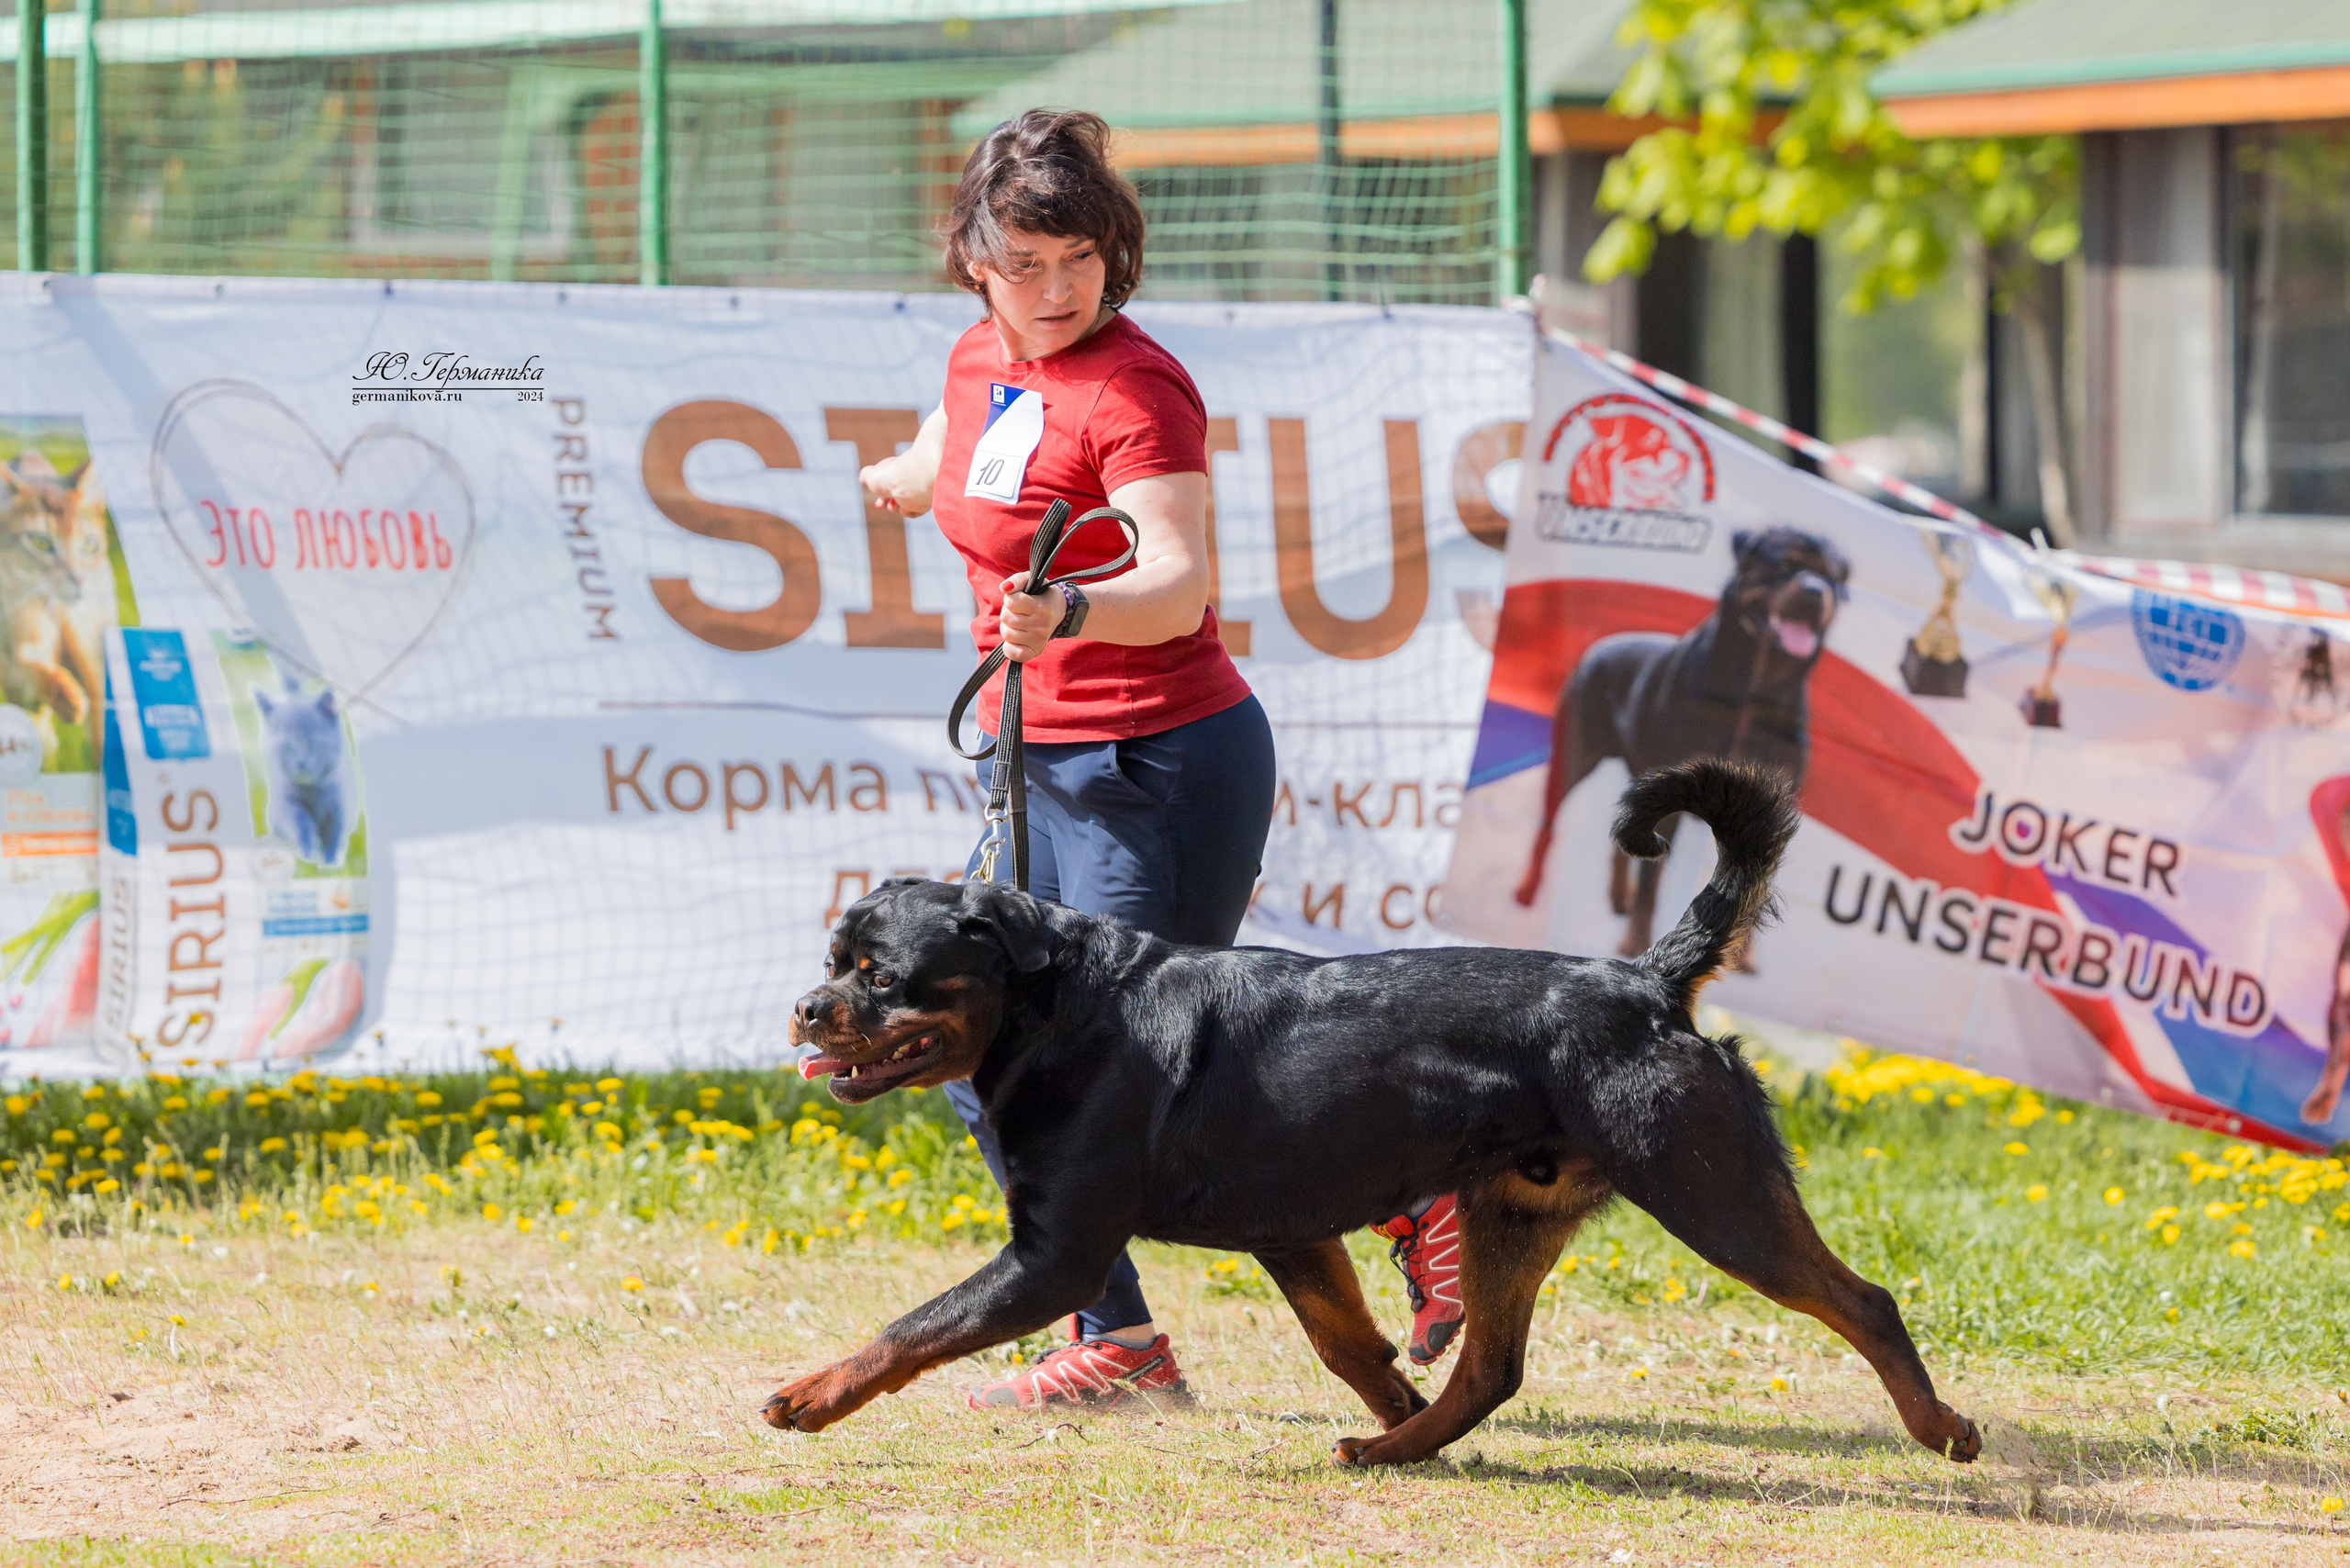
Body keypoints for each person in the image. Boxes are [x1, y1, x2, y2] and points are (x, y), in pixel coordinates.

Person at [858, 108, 1460, 1412]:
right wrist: (903, 475)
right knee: (970, 1054)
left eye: (1081, 258)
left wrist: (1069, 612)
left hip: (1162, 766)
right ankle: (1119, 1346)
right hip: (1036, 768)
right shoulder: (977, 358)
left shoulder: (1138, 386)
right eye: (1029, 263)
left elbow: (1178, 584)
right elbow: (962, 450)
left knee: (1155, 1074)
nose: (1058, 288)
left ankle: (1412, 1199)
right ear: (974, 256)